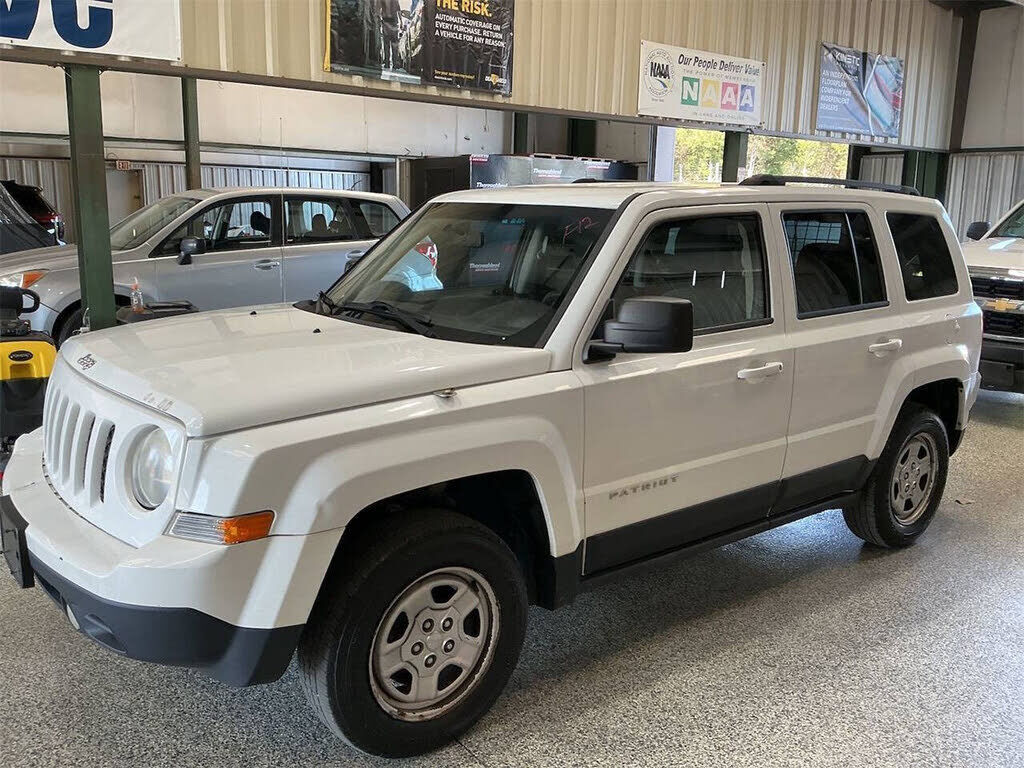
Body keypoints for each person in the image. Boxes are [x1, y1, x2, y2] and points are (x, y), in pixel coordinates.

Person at [380, 0, 402, 71]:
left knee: (386, 44)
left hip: (385, 23)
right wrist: (401, 22)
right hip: (394, 24)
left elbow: (380, 10)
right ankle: (394, 65)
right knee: (394, 45)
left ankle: (387, 64)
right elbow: (399, 11)